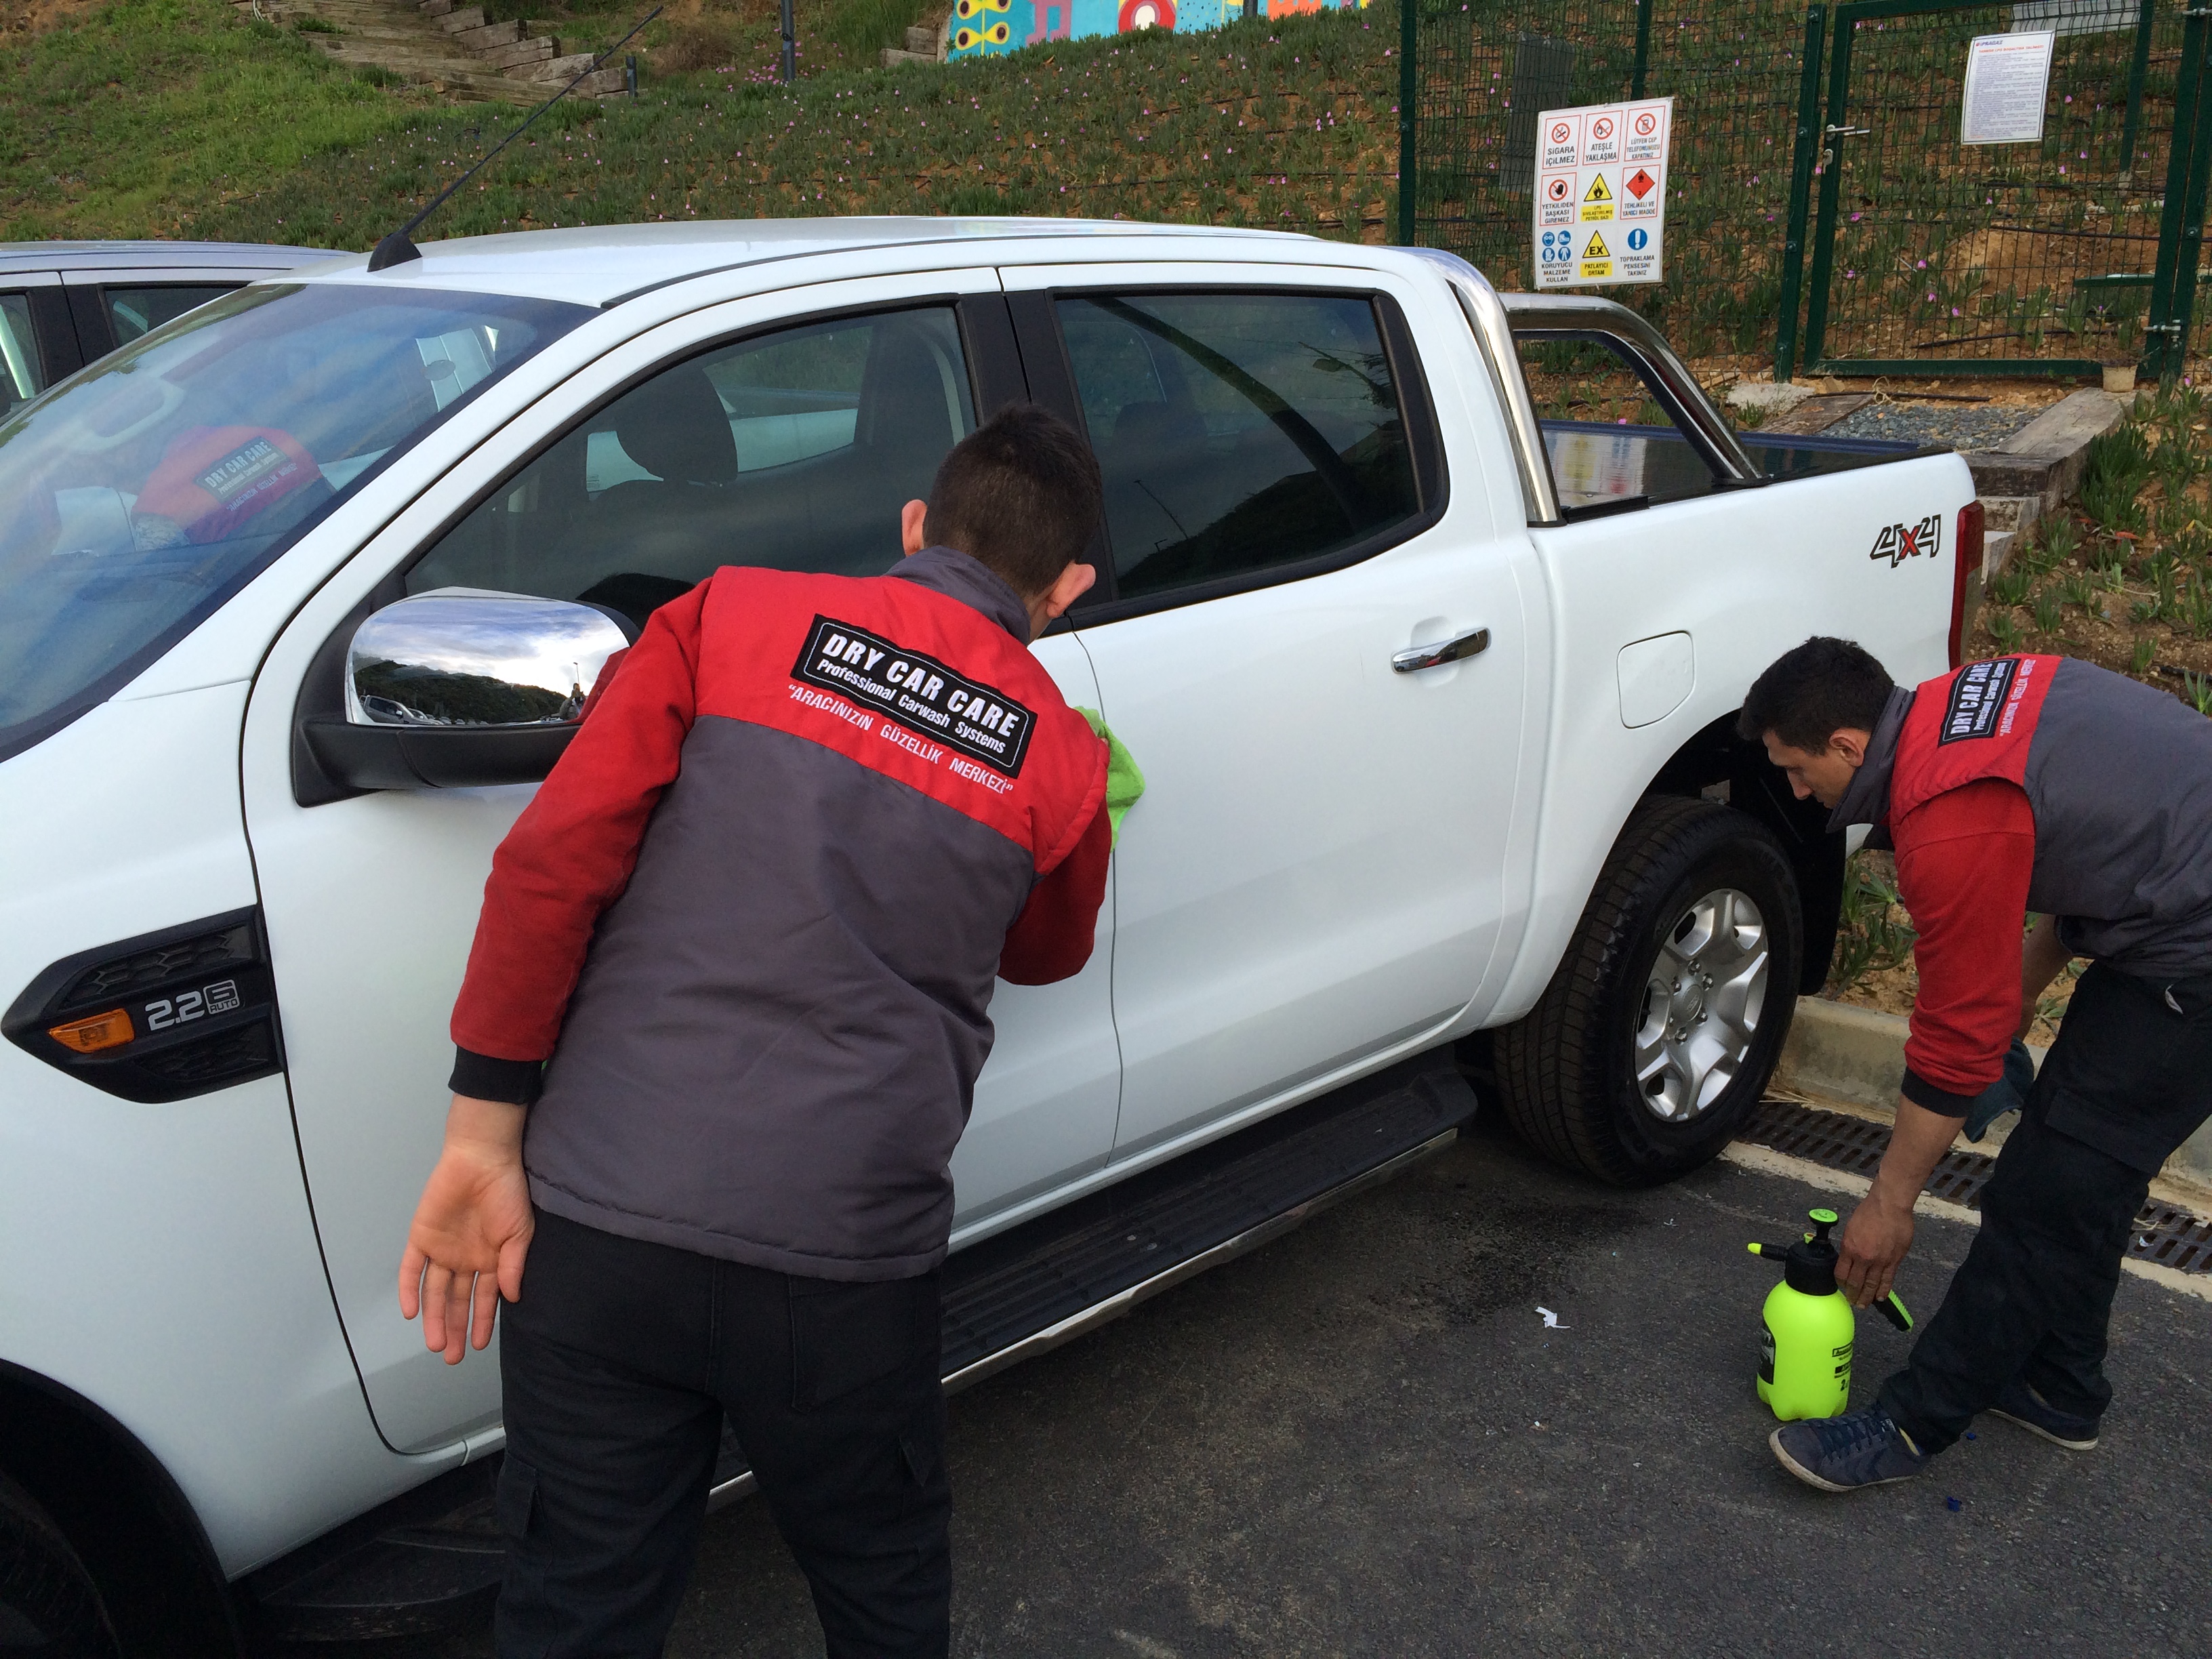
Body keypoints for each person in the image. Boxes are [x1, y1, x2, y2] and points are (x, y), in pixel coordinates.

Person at [396, 404, 1118, 1656]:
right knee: (881, 1591)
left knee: (575, 1604)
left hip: (602, 1232)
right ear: (1066, 590)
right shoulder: (1059, 756)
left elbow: (548, 870)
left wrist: (479, 1142)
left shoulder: (725, 615)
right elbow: (1045, 955)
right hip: (844, 1274)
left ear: (913, 527)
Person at [1739, 637, 2212, 1494]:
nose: (1798, 791)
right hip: (2171, 910)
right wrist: (2020, 993)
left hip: (2193, 951)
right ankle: (2059, 1386)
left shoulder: (1946, 812)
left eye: (1799, 770)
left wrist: (1889, 1205)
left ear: (1848, 744)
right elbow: (2091, 835)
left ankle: (1911, 1425)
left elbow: (1957, 1035)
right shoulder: (1967, 705)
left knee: (2046, 1195)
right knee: (2084, 1175)